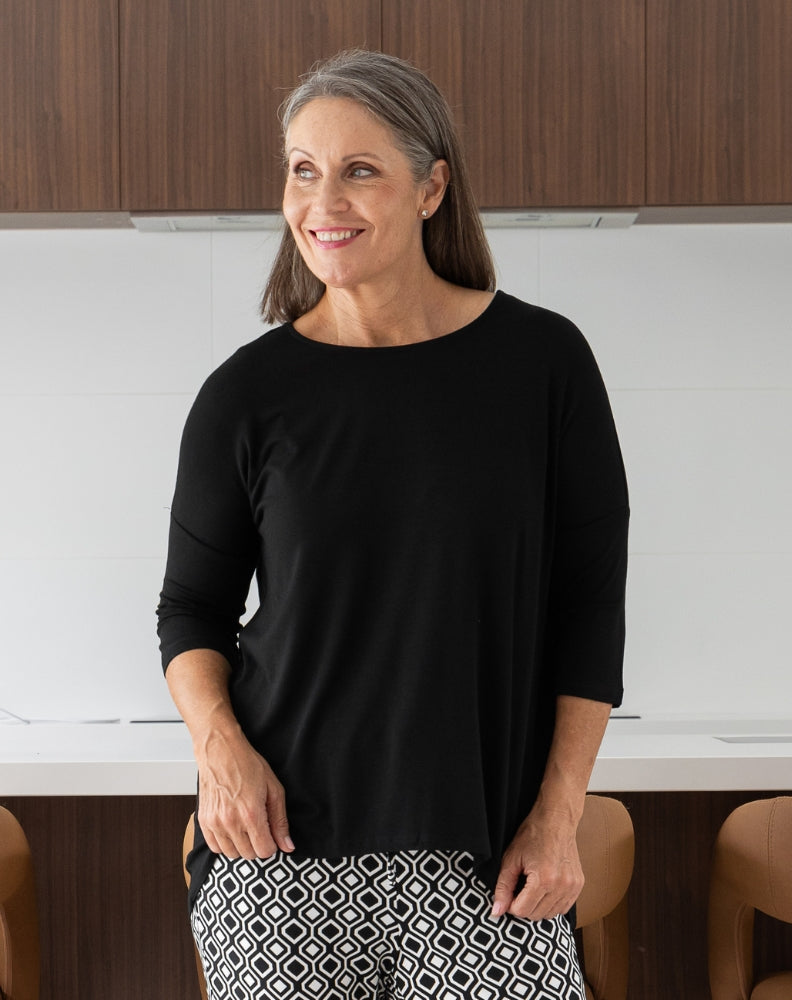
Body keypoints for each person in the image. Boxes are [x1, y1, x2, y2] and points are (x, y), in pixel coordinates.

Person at [157, 48, 628, 1000]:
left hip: (490, 856)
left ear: (431, 187)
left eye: (359, 168)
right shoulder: (246, 395)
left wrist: (558, 812)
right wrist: (221, 750)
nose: (321, 200)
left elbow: (590, 611)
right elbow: (190, 610)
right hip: (281, 857)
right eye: (302, 168)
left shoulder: (544, 365)